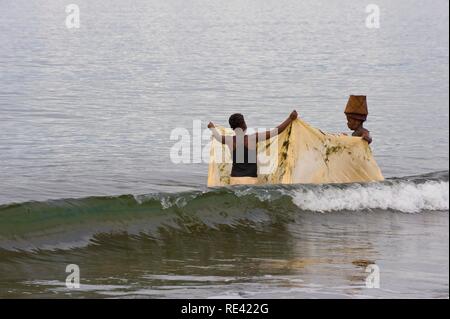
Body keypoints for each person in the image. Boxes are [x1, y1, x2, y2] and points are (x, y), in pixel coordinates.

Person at [208, 110, 298, 185]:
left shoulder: (229, 140)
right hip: (250, 180)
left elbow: (218, 137)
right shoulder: (252, 138)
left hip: (234, 179)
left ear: (232, 128)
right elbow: (275, 131)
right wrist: (290, 118)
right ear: (244, 124)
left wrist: (212, 127)